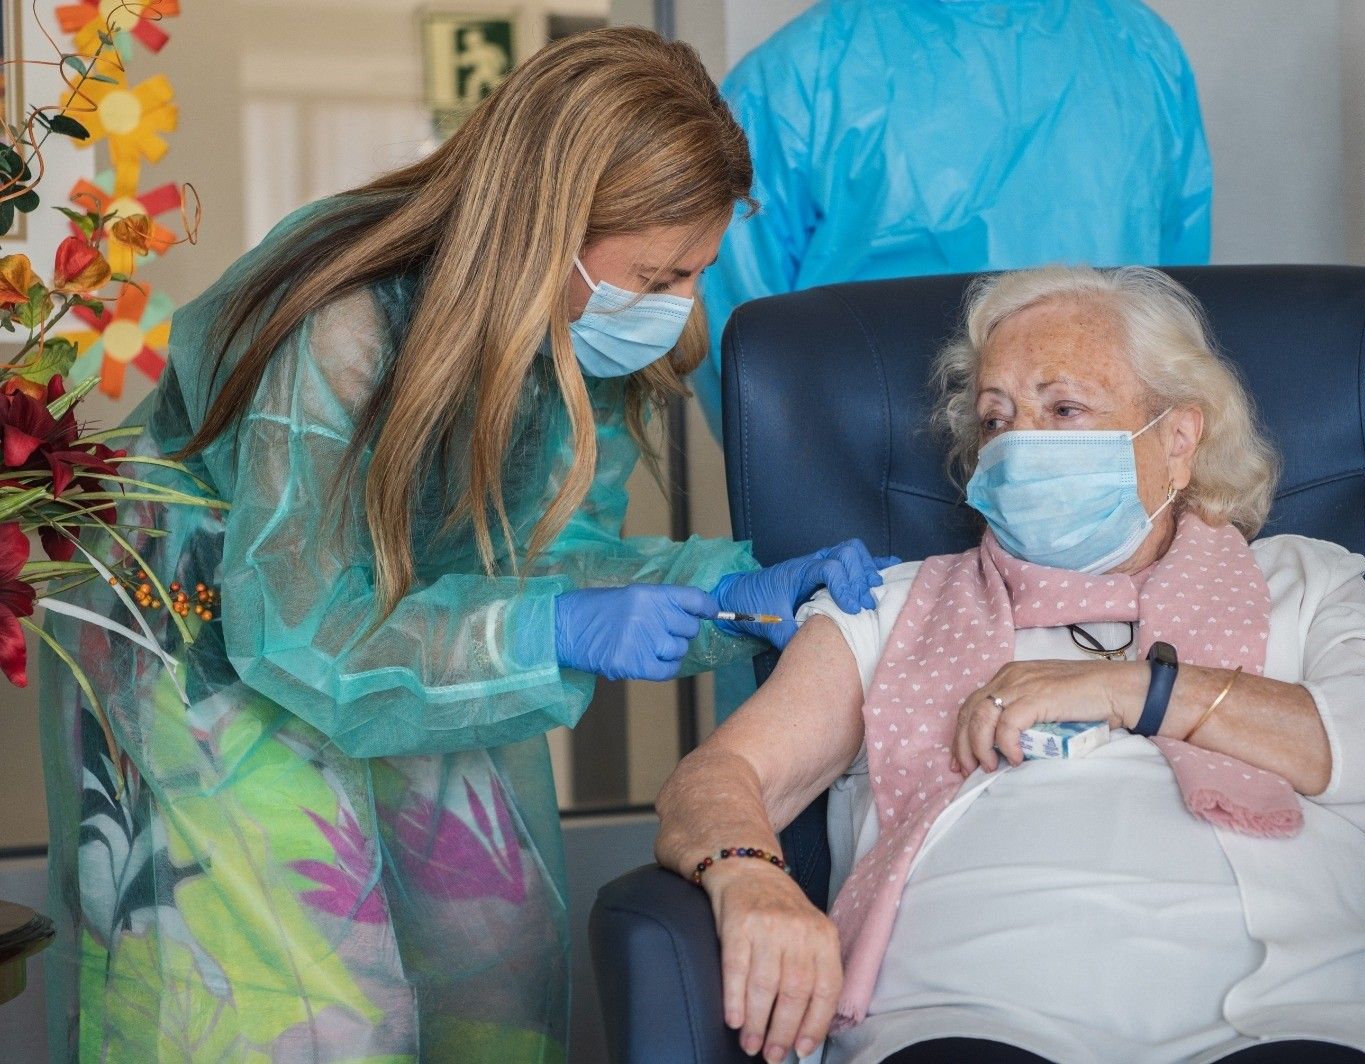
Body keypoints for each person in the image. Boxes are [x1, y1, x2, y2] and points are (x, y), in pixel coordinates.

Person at [38, 28, 895, 1061]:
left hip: (409, 634)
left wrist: (725, 589)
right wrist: (549, 627)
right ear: (548, 225)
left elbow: (553, 553)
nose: (678, 313)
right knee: (308, 1018)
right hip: (210, 648)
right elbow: (302, 624)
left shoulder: (582, 345)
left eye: (695, 273)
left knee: (490, 972)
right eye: (657, 274)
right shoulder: (343, 322)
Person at [657, 267, 1365, 1064]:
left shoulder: (1301, 581)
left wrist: (1135, 689)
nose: (1022, 444)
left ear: (1178, 440)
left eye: (1064, 408)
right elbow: (721, 777)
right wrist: (749, 874)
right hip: (968, 1012)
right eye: (998, 420)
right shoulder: (890, 606)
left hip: (1297, 1012)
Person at [692, 0, 1213, 440]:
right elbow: (743, 347)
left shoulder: (800, 73)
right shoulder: (1138, 48)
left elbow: (1167, 306)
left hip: (1092, 463)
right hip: (882, 465)